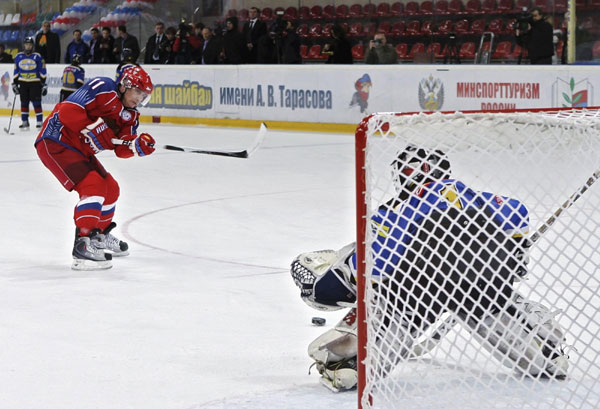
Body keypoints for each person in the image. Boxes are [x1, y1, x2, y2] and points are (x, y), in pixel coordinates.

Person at [291, 145, 569, 391]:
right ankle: (544, 346)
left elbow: (374, 270)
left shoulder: (392, 214)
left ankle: (352, 359)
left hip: (413, 302)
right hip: (481, 292)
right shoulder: (475, 197)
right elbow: (516, 211)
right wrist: (516, 252)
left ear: (401, 176)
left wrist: (331, 286)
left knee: (348, 367)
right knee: (544, 361)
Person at [34, 66, 155, 271]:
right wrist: (94, 127)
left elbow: (121, 148)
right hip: (56, 140)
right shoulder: (103, 87)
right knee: (94, 185)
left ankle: (98, 236)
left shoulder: (131, 116)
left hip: (80, 149)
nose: (140, 99)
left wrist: (136, 146)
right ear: (126, 85)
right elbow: (66, 111)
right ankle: (83, 244)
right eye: (138, 92)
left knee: (110, 188)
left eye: (144, 96)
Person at [12, 37, 47, 130]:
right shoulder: (19, 56)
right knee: (24, 103)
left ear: (32, 46)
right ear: (24, 45)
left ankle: (39, 122)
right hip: (23, 83)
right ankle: (24, 122)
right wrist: (14, 83)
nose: (28, 46)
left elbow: (42, 70)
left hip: (35, 83)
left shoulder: (37, 56)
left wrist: (43, 83)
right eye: (26, 45)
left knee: (36, 103)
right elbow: (16, 70)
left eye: (30, 45)